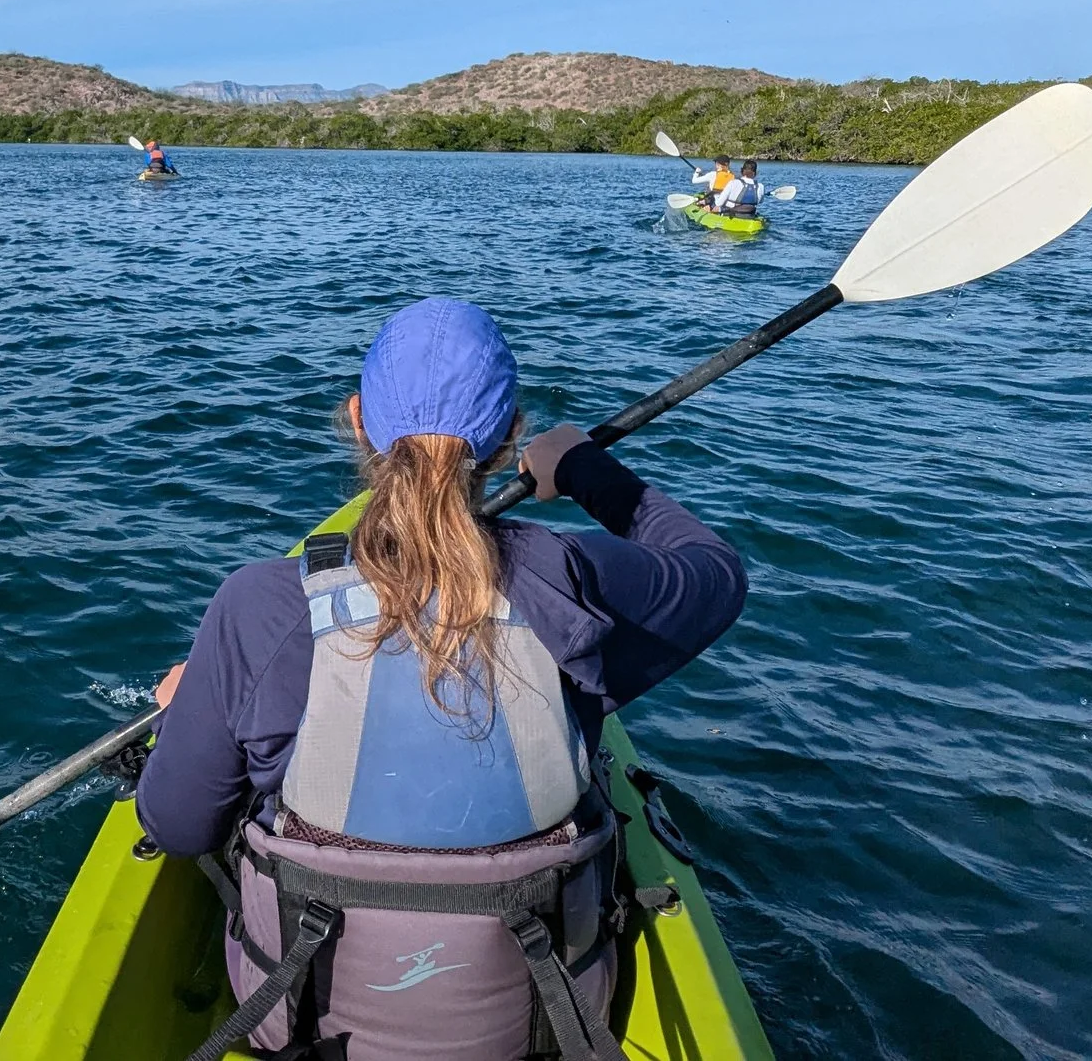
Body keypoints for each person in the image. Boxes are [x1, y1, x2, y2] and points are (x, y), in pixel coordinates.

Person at [138, 297, 746, 1061]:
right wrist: (586, 470)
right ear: (510, 436)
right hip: (542, 1024)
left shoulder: (259, 608)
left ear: (358, 421)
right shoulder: (576, 580)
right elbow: (717, 572)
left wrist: (185, 708)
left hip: (306, 1025)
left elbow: (179, 826)